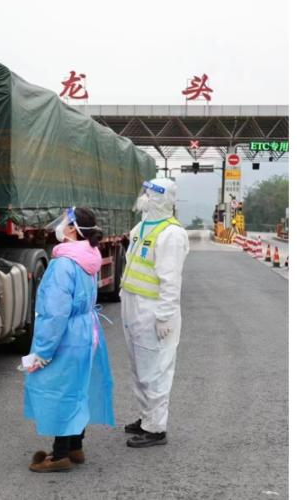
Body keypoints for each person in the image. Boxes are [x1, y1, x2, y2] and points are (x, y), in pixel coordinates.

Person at [23, 206, 115, 473]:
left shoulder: (63, 263)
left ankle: (59, 454)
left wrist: (42, 350)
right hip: (87, 330)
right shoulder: (89, 256)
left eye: (64, 222)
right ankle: (76, 445)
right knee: (78, 388)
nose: (59, 226)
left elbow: (54, 313)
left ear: (73, 229)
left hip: (67, 335)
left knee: (60, 390)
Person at [120, 178, 190, 448]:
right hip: (134, 304)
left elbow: (170, 281)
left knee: (155, 369)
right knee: (139, 367)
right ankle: (145, 417)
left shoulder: (171, 234)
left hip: (153, 309)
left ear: (162, 198)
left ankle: (156, 428)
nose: (144, 197)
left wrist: (164, 316)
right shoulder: (142, 226)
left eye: (150, 194)